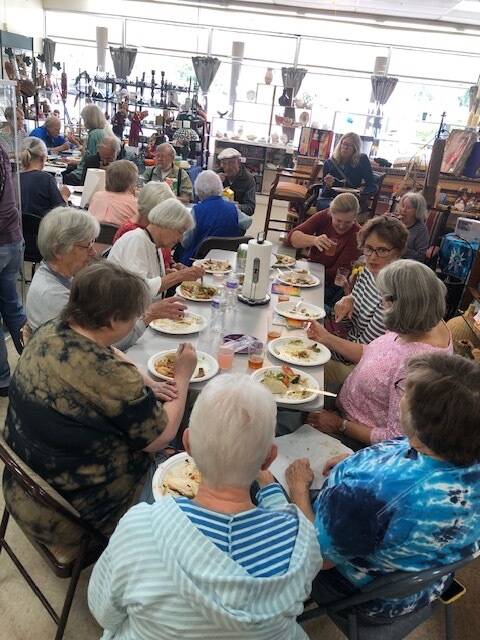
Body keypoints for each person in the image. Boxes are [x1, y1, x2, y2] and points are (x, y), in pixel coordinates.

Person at [88, 374, 322, 639]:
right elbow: (295, 527)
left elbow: (102, 610)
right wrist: (270, 489)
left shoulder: (140, 528)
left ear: (186, 444)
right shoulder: (302, 541)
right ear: (269, 459)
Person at [3, 261, 197, 546]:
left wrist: (146, 381)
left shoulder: (52, 328)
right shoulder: (110, 377)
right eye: (133, 316)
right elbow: (160, 436)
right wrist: (182, 376)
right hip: (68, 517)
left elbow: (111, 351)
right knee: (180, 452)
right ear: (112, 321)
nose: (136, 321)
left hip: (22, 486)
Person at [286, 352, 480, 621]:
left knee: (266, 490)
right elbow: (408, 456)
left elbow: (317, 555)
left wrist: (297, 490)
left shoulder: (374, 493)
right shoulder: (453, 444)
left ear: (423, 429)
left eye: (405, 393)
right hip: (427, 577)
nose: (400, 399)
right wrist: (358, 461)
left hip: (362, 594)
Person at [306, 259, 452, 446]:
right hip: (345, 403)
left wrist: (340, 425)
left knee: (283, 423)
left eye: (382, 297)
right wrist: (326, 337)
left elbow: (397, 438)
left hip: (354, 438)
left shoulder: (417, 367)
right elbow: (375, 354)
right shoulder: (418, 320)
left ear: (399, 306)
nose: (380, 302)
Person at [26, 207, 187, 351]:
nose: (93, 253)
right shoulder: (53, 295)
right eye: (85, 246)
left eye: (92, 243)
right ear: (58, 250)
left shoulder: (67, 277)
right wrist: (148, 316)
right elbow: (101, 345)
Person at [311, 215, 408, 389]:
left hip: (363, 369)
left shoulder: (397, 293)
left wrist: (326, 338)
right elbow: (350, 326)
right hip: (345, 347)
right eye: (368, 248)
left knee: (302, 364)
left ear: (398, 252)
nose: (373, 257)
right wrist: (347, 299)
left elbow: (369, 354)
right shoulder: (366, 270)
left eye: (382, 250)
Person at [108, 199, 203, 297]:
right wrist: (178, 276)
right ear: (166, 223)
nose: (180, 239)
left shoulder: (154, 243)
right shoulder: (136, 240)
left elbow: (146, 279)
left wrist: (166, 275)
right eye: (180, 232)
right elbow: (138, 290)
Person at [287, 192, 361, 306]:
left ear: (355, 218)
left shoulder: (357, 235)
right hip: (312, 273)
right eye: (338, 220)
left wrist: (305, 275)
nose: (341, 226)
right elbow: (292, 238)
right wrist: (313, 240)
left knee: (297, 299)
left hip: (330, 285)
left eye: (348, 222)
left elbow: (336, 274)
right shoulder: (323, 216)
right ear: (331, 213)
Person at [0, 142, 26, 396]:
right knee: (12, 306)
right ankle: (33, 363)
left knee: (11, 307)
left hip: (3, 242)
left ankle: (2, 379)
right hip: (12, 240)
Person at [176, 170, 242, 264]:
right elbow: (247, 222)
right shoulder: (232, 208)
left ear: (200, 191)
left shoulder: (197, 210)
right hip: (227, 260)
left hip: (198, 261)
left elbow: (186, 242)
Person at [317, 132, 376, 212]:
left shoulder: (362, 160)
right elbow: (324, 194)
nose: (345, 147)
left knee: (342, 209)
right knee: (332, 208)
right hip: (331, 199)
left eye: (349, 145)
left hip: (352, 199)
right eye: (344, 144)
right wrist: (328, 185)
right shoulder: (329, 163)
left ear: (355, 148)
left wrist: (362, 192)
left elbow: (372, 186)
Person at [19, 137, 70, 216]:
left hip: (19, 227)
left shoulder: (14, 179)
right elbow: (62, 214)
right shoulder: (46, 179)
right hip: (44, 226)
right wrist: (64, 196)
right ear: (43, 158)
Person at [63, 104, 106, 186]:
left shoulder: (94, 134)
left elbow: (91, 160)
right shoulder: (101, 132)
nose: (83, 122)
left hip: (81, 175)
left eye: (84, 119)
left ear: (89, 119)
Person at [88, 159, 138, 226]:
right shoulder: (134, 204)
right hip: (121, 236)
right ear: (132, 182)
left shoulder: (97, 196)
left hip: (93, 234)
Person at [217, 147, 256, 217]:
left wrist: (235, 207)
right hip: (217, 216)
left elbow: (250, 208)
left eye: (231, 163)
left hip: (237, 218)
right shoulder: (216, 175)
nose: (228, 167)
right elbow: (203, 199)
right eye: (224, 163)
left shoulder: (248, 179)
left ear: (239, 162)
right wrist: (215, 182)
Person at [395, 191, 429, 262]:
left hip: (406, 264)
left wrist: (402, 249)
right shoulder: (393, 222)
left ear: (417, 211)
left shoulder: (421, 229)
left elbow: (421, 256)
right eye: (403, 206)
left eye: (408, 208)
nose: (403, 210)